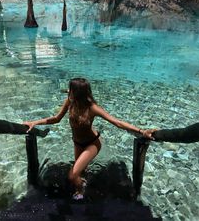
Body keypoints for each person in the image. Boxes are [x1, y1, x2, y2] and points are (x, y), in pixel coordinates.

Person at [23, 77, 156, 200]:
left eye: (71, 90)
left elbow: (117, 122)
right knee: (81, 171)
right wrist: (35, 122)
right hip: (77, 143)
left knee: (73, 175)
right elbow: (56, 119)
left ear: (78, 93)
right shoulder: (70, 101)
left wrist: (141, 131)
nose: (69, 93)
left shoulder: (92, 108)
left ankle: (81, 191)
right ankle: (83, 182)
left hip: (91, 144)